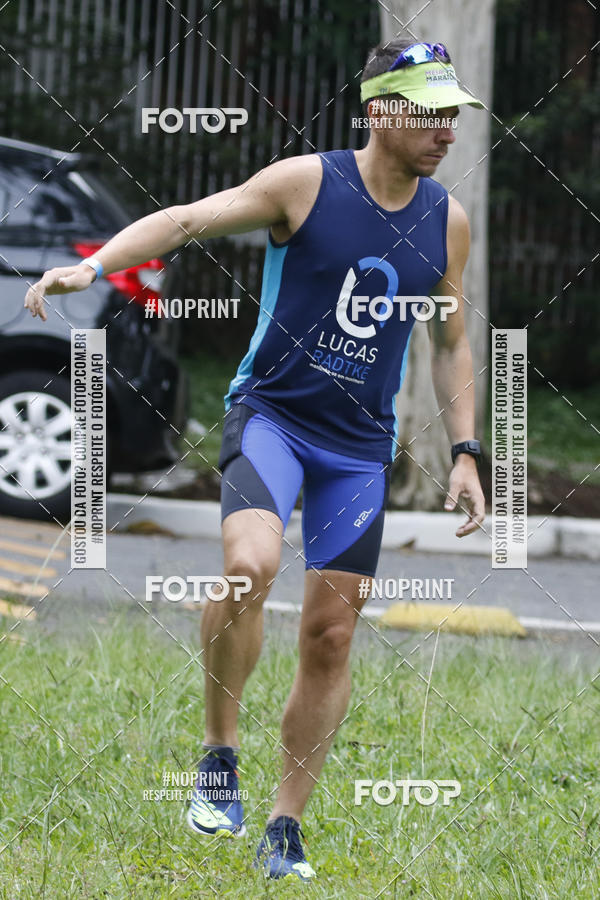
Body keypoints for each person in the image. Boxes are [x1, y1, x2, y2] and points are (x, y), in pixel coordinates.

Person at [25, 38, 486, 882]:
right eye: (429, 109)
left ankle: (285, 826)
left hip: (356, 449)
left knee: (331, 635)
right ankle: (218, 755)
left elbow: (452, 340)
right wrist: (89, 266)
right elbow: (188, 220)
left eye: (453, 111)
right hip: (271, 415)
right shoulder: (304, 183)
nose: (447, 128)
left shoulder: (447, 223)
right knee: (250, 566)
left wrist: (465, 452)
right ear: (381, 110)